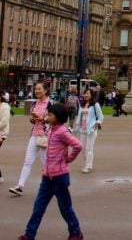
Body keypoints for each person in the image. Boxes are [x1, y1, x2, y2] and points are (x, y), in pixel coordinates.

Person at [18, 103, 84, 240]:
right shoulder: (51, 129)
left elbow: (78, 145)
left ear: (58, 117)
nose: (48, 116)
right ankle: (29, 234)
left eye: (50, 115)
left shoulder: (62, 131)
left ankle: (76, 232)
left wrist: (69, 159)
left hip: (60, 176)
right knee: (38, 207)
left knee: (65, 207)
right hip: (47, 176)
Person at [10, 82, 50, 197]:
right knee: (28, 161)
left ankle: (47, 187)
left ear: (45, 91)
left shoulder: (50, 104)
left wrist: (43, 119)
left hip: (45, 136)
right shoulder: (34, 103)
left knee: (44, 163)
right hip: (34, 134)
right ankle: (20, 186)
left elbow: (53, 119)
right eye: (36, 89)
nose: (37, 91)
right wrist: (33, 119)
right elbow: (32, 120)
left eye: (39, 89)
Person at [74, 88, 104, 173]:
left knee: (88, 149)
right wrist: (77, 126)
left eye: (88, 93)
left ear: (91, 95)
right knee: (82, 148)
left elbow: (101, 116)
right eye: (85, 93)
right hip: (82, 129)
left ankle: (88, 166)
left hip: (91, 130)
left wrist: (97, 123)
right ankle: (88, 163)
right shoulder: (82, 105)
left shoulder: (95, 105)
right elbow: (79, 116)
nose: (86, 95)